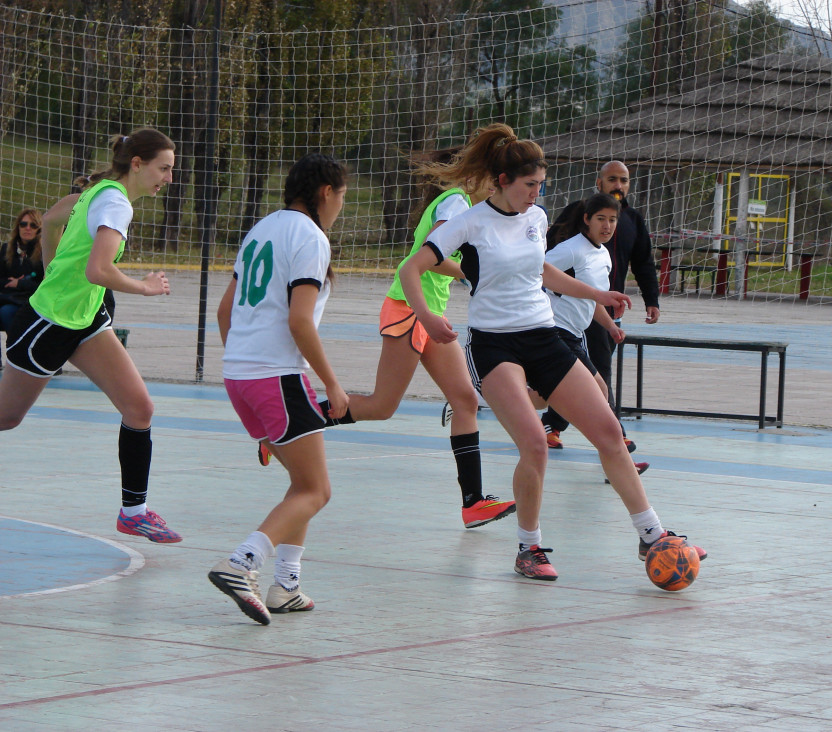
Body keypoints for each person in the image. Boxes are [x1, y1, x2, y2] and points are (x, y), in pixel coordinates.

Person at [398, 123, 705, 582]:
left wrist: (597, 296)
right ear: (503, 181)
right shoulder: (470, 221)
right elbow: (412, 267)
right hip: (493, 344)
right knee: (536, 445)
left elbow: (542, 272)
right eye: (529, 185)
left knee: (607, 430)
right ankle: (528, 548)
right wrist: (425, 316)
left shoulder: (537, 219)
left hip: (543, 336)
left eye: (540, 186)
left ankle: (651, 536)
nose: (535, 194)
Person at [261, 146, 516, 530]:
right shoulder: (457, 203)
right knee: (382, 406)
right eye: (492, 178)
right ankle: (286, 423)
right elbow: (431, 251)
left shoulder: (463, 206)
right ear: (471, 179)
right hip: (410, 310)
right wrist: (472, 274)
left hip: (429, 313)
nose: (497, 187)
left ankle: (473, 501)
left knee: (464, 399)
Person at [0, 128, 181, 543]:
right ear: (137, 164)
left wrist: (49, 266)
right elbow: (98, 270)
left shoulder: (102, 189)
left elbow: (50, 219)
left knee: (140, 408)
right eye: (164, 169)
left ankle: (133, 512)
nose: (168, 179)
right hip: (48, 322)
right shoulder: (116, 204)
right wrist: (146, 286)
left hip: (85, 319)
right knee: (6, 418)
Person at [208, 153, 349, 625]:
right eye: (343, 196)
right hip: (277, 376)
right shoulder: (309, 237)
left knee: (302, 485)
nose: (341, 206)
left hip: (239, 376)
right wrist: (331, 382)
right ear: (326, 192)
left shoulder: (260, 229)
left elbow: (225, 313)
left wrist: (246, 364)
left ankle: (286, 585)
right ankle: (241, 563)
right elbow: (298, 320)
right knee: (317, 489)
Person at [542, 160, 661, 453]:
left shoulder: (632, 221)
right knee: (596, 377)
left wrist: (651, 301)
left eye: (623, 180)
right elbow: (540, 261)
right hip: (564, 317)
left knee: (584, 378)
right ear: (599, 182)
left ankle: (553, 423)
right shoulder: (575, 228)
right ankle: (615, 436)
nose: (618, 185)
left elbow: (644, 263)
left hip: (601, 309)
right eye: (612, 179)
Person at [0, 209, 45, 365]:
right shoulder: (7, 249)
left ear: (39, 229)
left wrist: (20, 283)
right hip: (8, 297)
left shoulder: (43, 253)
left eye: (32, 225)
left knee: (7, 312)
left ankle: (19, 358)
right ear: (17, 227)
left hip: (31, 302)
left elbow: (44, 286)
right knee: (5, 309)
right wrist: (10, 282)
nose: (27, 228)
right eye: (23, 224)